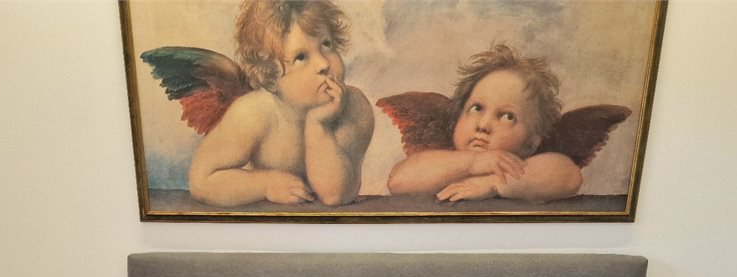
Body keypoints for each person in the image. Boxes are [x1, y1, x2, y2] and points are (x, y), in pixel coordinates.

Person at [188, 0, 374, 207]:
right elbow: (201, 182)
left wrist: (318, 124)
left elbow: (335, 195)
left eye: (326, 44)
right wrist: (265, 185)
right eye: (301, 57)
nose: (323, 63)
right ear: (270, 76)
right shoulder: (253, 113)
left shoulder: (354, 107)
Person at [386, 44, 582, 203]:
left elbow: (569, 175)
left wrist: (493, 184)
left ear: (531, 143)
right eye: (477, 108)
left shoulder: (524, 170)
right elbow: (398, 180)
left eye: (507, 116)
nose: (483, 125)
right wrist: (472, 163)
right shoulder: (441, 164)